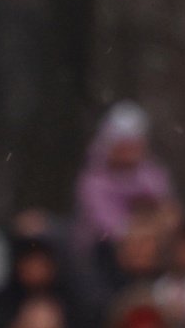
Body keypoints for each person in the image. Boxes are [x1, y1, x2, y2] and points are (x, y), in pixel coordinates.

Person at [74, 103, 179, 259]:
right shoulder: (94, 182)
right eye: (123, 145)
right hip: (105, 257)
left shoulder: (152, 176)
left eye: (134, 145)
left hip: (153, 255)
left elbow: (168, 213)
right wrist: (136, 231)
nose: (129, 151)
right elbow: (105, 226)